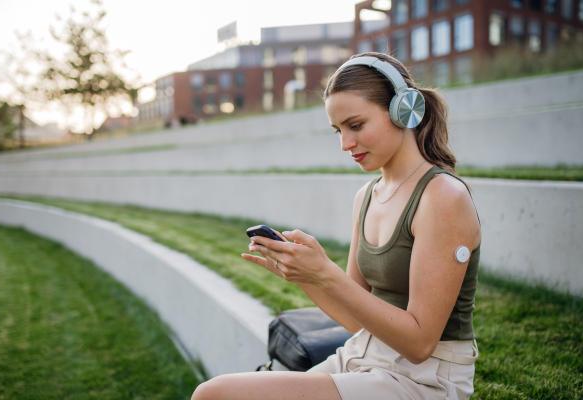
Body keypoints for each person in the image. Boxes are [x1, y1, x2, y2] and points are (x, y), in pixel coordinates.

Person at [191, 52, 481, 400]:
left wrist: (327, 273)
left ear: (403, 109)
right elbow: (357, 321)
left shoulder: (443, 198)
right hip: (363, 355)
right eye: (338, 130)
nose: (345, 144)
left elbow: (419, 344)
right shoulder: (367, 196)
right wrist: (306, 275)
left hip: (423, 380)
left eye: (355, 125)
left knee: (216, 394)